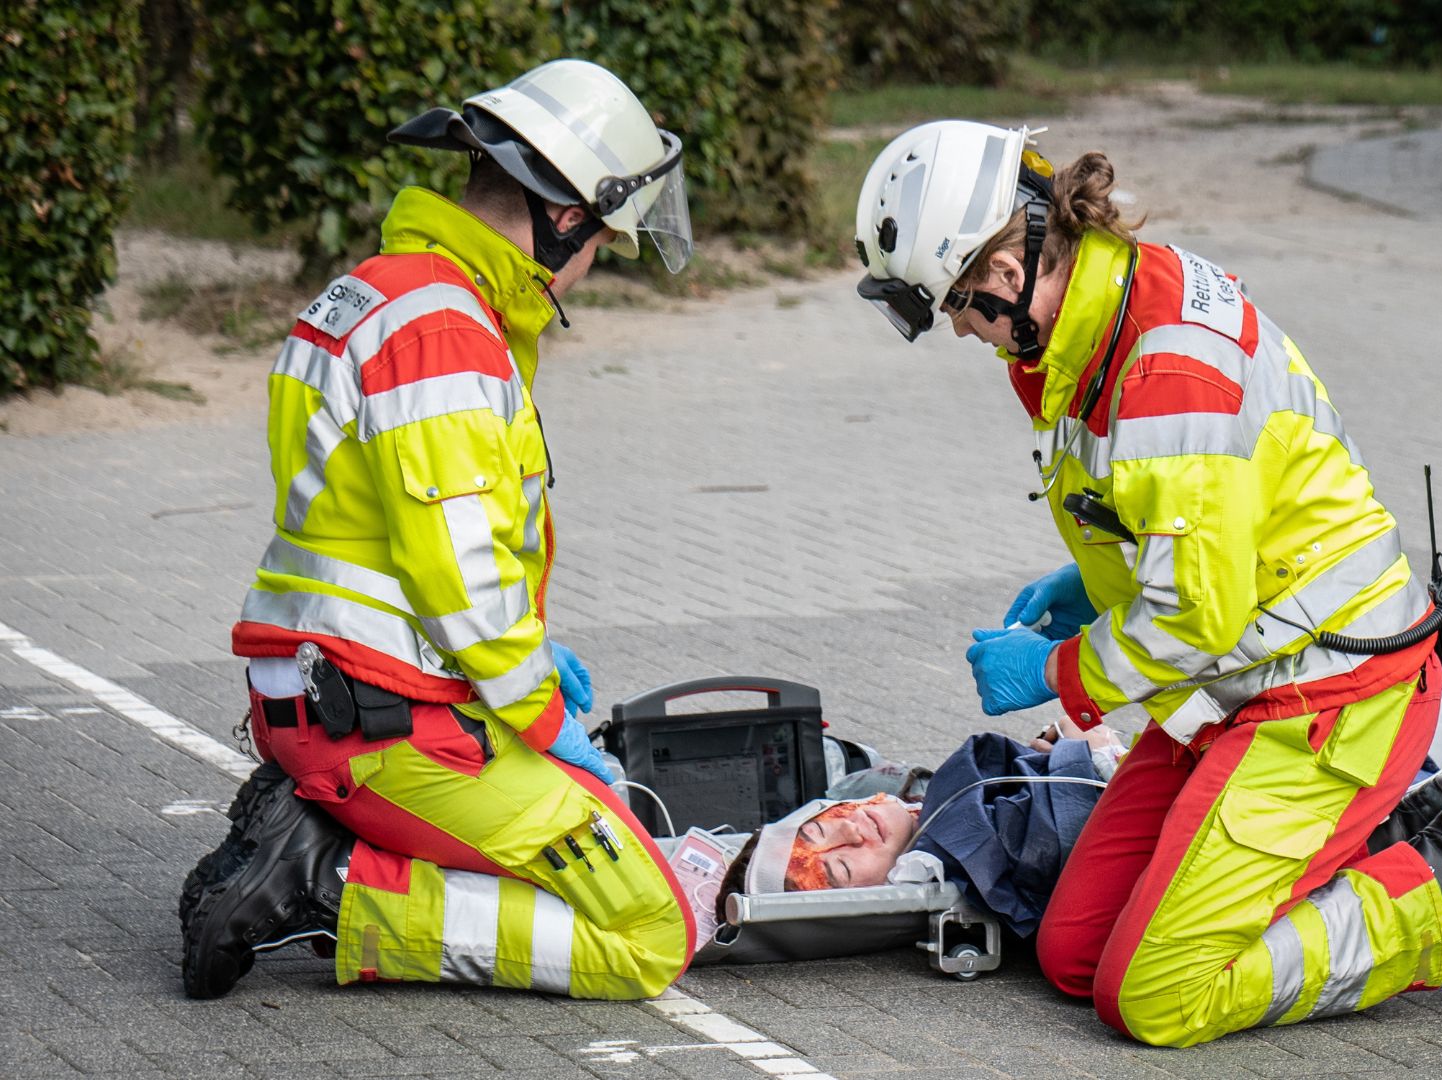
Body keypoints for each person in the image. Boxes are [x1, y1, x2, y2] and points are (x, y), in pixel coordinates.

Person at [850, 121, 1442, 1047]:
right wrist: (1097, 580)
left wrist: (1056, 673)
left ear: (1002, 267)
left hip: (1328, 698)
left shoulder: (1163, 366)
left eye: (956, 304)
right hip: (1233, 689)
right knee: (1075, 955)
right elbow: (1182, 516)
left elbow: (1197, 615)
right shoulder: (1097, 314)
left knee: (1156, 994)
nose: (961, 328)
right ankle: (1311, 858)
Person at [178, 59, 697, 1001]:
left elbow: (390, 539)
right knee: (650, 926)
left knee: (578, 846)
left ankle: (321, 839)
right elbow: (458, 569)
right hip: (381, 724)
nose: (590, 272)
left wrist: (522, 656)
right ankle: (326, 884)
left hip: (341, 695)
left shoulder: (384, 292)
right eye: (598, 245)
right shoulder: (445, 330)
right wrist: (541, 716)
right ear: (565, 216)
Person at [715, 720, 1124, 936]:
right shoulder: (977, 850)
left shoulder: (906, 798)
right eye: (841, 870)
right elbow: (1065, 837)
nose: (853, 833)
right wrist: (1093, 755)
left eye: (823, 829)